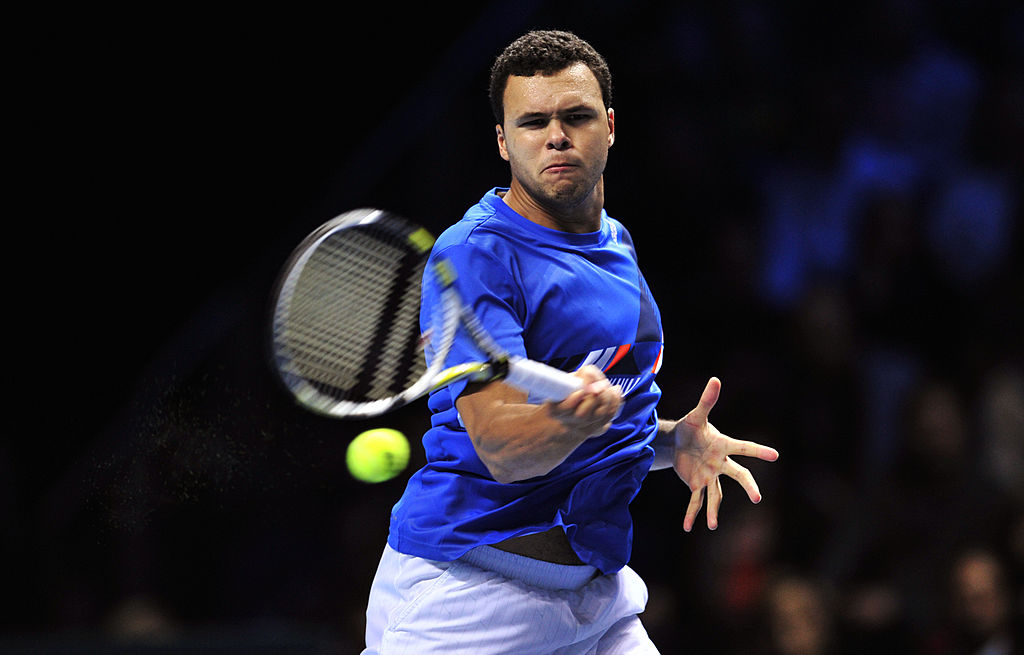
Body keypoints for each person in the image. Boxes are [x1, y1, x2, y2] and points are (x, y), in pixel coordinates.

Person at [361, 29, 779, 654]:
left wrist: (671, 442)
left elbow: (609, 421)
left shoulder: (616, 242)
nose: (556, 136)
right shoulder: (475, 255)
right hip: (469, 595)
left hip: (595, 598)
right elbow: (501, 448)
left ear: (608, 126)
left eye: (576, 117)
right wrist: (570, 421)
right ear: (503, 142)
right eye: (533, 123)